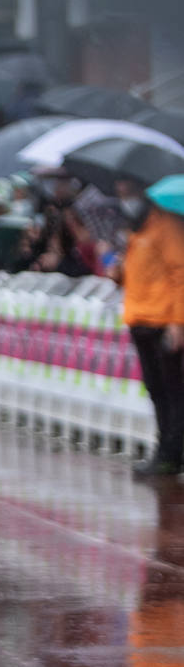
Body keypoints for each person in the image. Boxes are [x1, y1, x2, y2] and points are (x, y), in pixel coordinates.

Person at [111, 178, 184, 478]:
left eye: (128, 190)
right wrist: (118, 272)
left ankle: (170, 454)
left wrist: (177, 323)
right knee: (156, 389)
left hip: (163, 321)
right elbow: (136, 273)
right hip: (139, 319)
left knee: (173, 390)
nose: (124, 196)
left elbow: (179, 274)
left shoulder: (166, 226)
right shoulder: (135, 229)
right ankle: (166, 448)